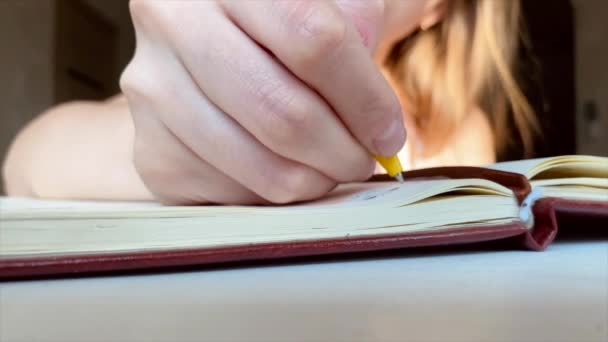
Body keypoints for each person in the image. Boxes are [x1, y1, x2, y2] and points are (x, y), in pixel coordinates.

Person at [2, 0, 536, 205]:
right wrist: (151, 148)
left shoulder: (457, 130)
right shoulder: (222, 66)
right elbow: (27, 163)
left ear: (435, 12)